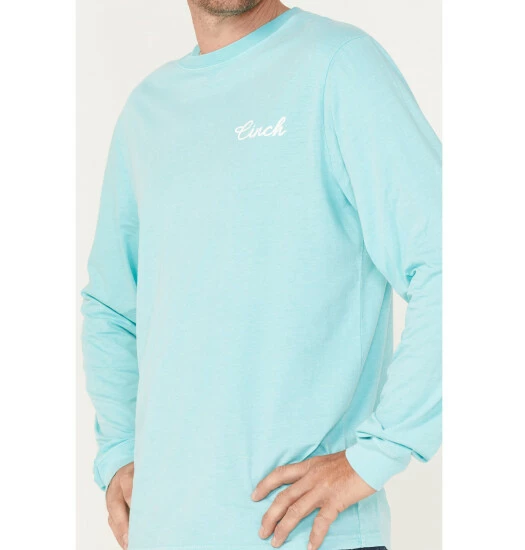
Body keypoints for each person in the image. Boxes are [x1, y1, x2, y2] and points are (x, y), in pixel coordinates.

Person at [81, 1, 442, 549]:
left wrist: (379, 454)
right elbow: (111, 307)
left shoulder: (340, 67)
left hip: (308, 536)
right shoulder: (147, 111)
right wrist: (118, 453)